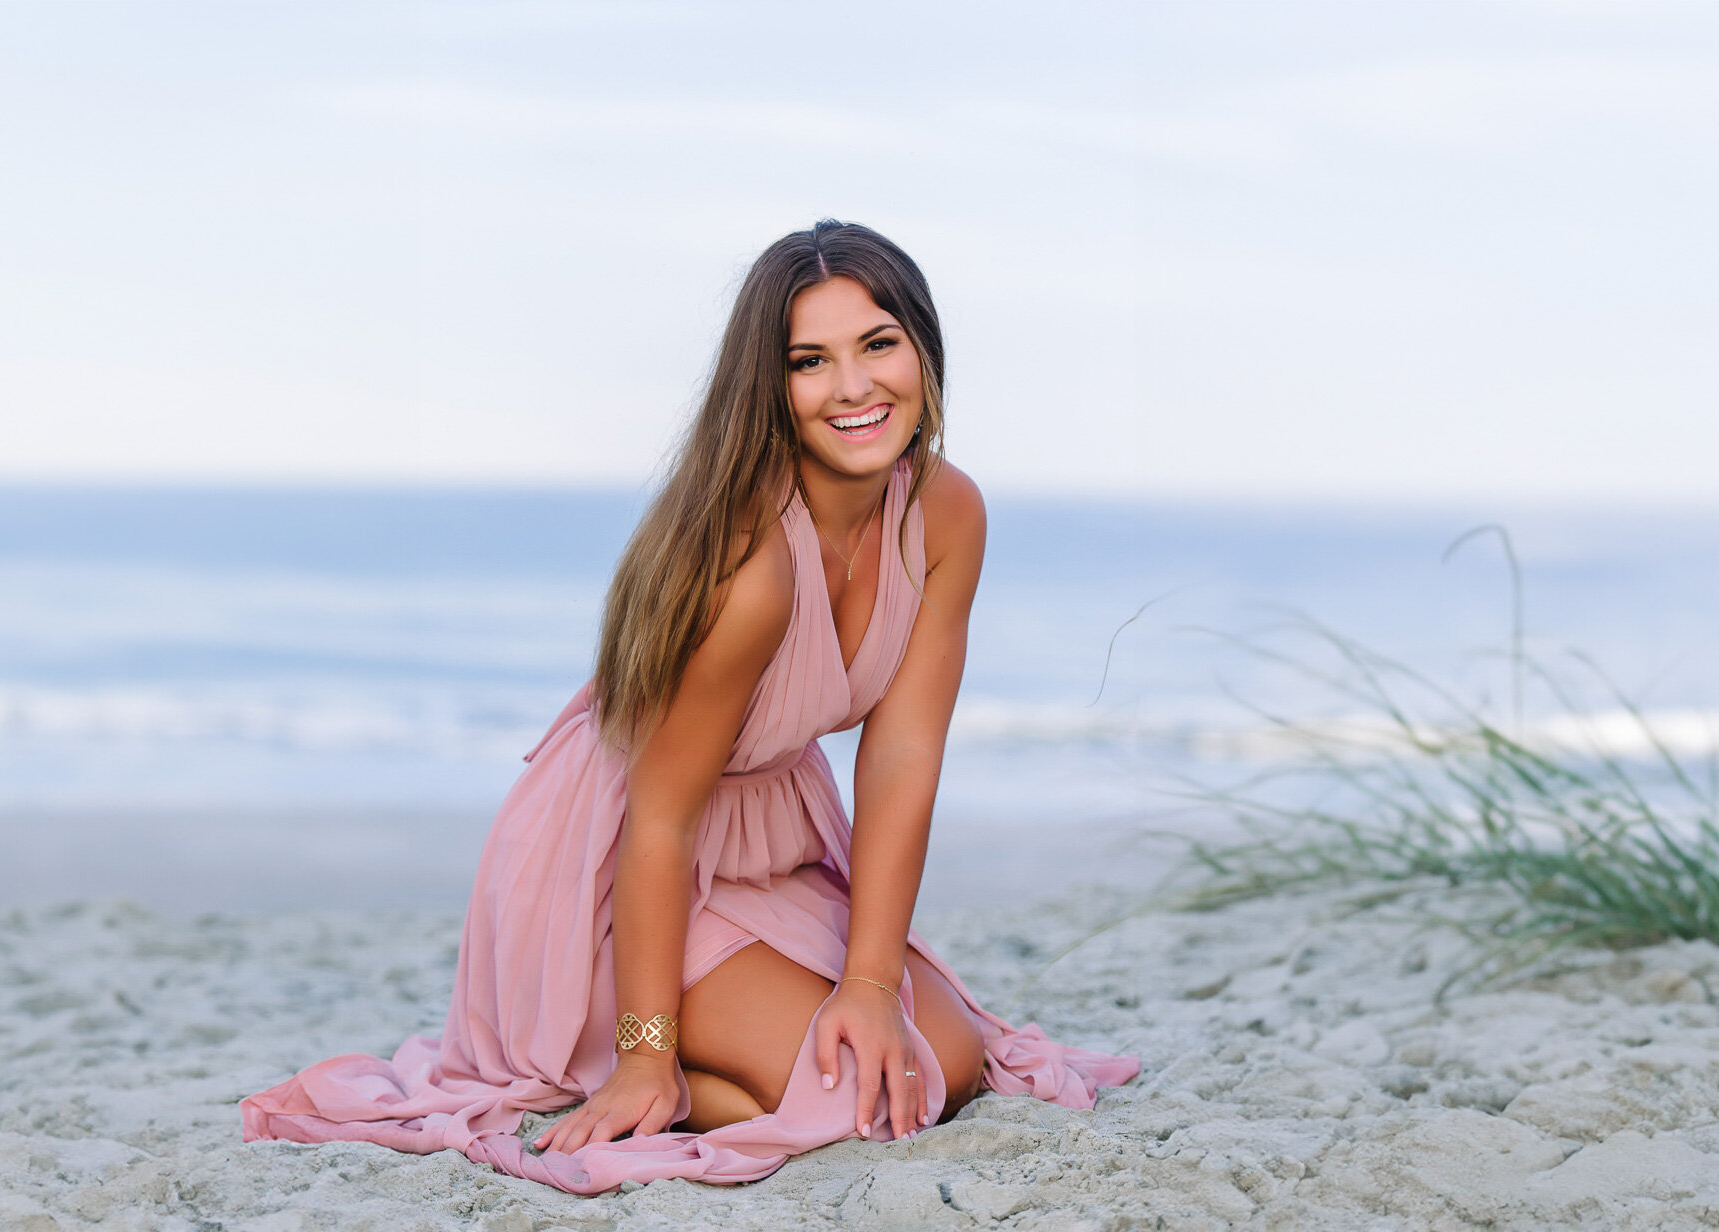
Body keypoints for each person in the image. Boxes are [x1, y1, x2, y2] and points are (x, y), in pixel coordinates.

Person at [240, 220, 1138, 1194]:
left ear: (923, 348)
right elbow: (659, 818)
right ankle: (648, 1075)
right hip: (617, 854)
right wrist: (644, 1050)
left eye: (878, 343)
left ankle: (729, 1054)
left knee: (944, 1061)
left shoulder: (946, 512)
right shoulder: (751, 567)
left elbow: (903, 753)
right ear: (770, 386)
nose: (853, 387)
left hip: (766, 840)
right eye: (809, 360)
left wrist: (872, 981)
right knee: (856, 1094)